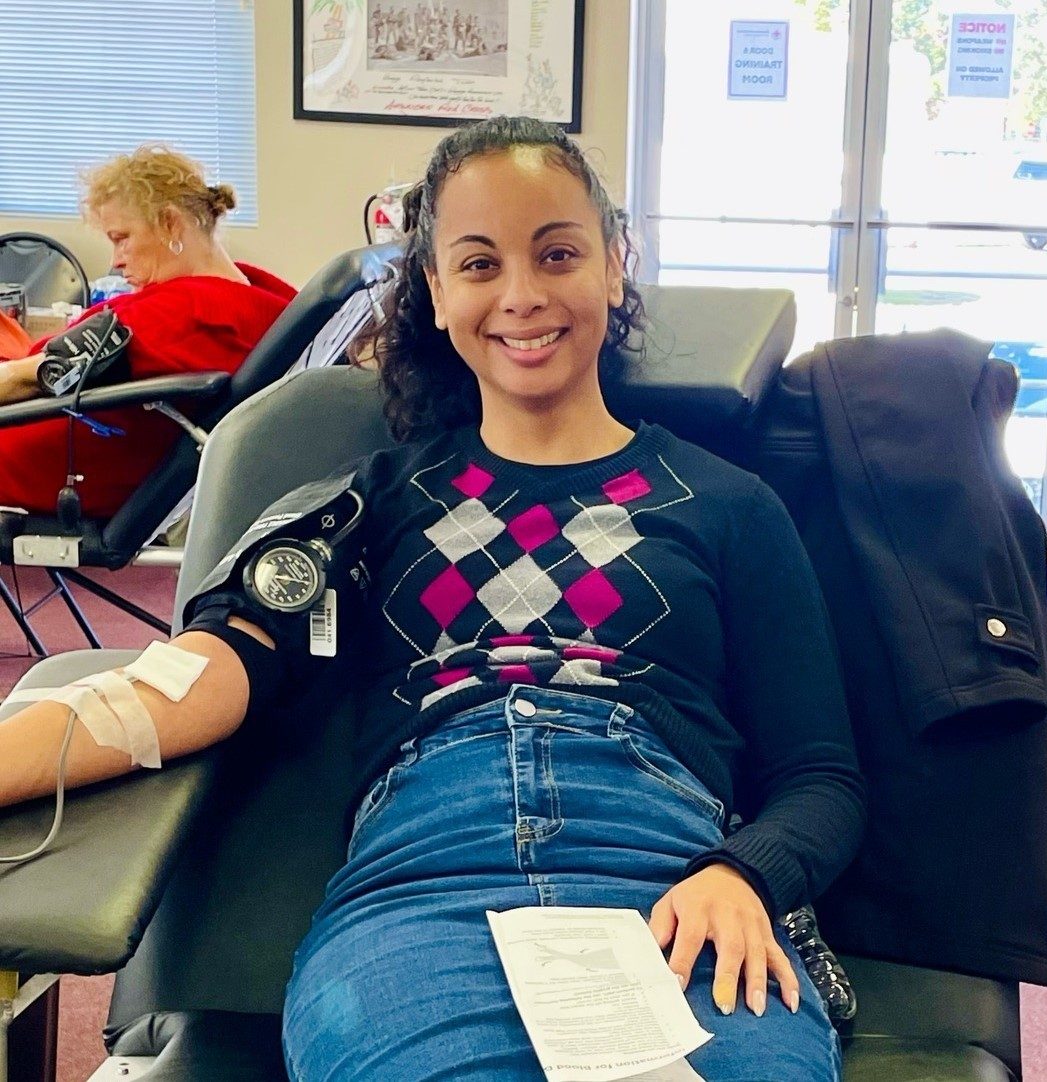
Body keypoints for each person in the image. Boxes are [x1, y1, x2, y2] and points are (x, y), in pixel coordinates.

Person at [0, 117, 864, 1080]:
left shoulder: (728, 506)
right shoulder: (370, 503)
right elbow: (181, 687)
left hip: (671, 891)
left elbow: (823, 777)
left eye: (559, 253)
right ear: (440, 292)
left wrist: (748, 872)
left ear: (616, 267)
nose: (524, 294)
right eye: (481, 263)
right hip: (422, 891)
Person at [0, 145, 296, 518]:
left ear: (171, 224)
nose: (115, 260)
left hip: (43, 465)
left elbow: (32, 378)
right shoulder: (259, 292)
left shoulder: (185, 312)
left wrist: (17, 370)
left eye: (121, 238)